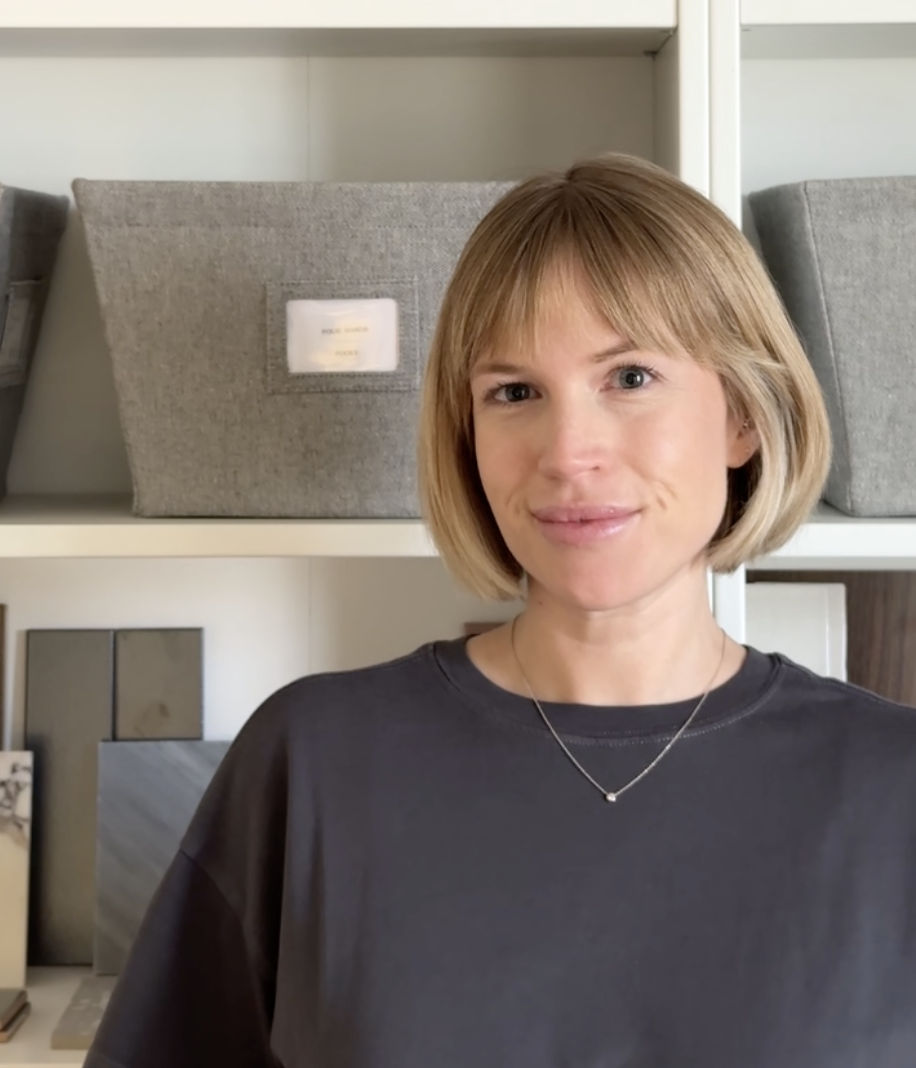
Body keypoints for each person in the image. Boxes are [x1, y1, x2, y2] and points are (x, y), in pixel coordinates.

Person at [84, 155, 916, 1068]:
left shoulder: (891, 786)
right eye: (514, 393)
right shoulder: (314, 759)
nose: (568, 452)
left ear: (743, 417)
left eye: (630, 377)